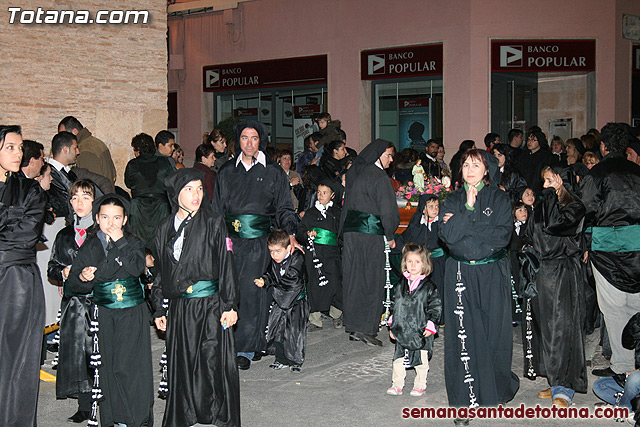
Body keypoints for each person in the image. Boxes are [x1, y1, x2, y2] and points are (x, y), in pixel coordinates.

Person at [151, 168, 240, 427]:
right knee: (183, 362)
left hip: (211, 305)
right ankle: (185, 413)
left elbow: (226, 263)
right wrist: (160, 308)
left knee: (212, 361)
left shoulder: (214, 222)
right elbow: (160, 273)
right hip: (180, 306)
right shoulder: (164, 227)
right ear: (176, 193)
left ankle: (215, 413)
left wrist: (230, 304)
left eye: (200, 188)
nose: (196, 195)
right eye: (189, 189)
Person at [212, 119, 300, 370]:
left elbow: (284, 207)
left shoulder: (272, 172)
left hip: (260, 243)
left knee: (253, 293)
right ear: (237, 141)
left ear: (260, 141)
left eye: (254, 138)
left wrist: (291, 233)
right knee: (230, 291)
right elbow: (217, 208)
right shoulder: (227, 171)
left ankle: (246, 348)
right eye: (244, 138)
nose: (249, 143)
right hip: (231, 241)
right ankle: (240, 341)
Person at [438, 149, 519, 412]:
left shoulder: (500, 198)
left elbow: (502, 236)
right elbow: (448, 236)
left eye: (476, 164)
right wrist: (469, 208)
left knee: (494, 332)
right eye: (465, 165)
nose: (470, 169)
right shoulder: (452, 200)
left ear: (487, 170)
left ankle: (494, 390)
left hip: (492, 273)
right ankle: (463, 396)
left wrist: (465, 227)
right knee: (464, 335)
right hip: (460, 273)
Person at [67, 194, 153, 427]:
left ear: (125, 220)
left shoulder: (133, 243)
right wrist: (84, 278)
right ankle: (113, 417)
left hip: (131, 312)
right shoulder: (92, 244)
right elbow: (72, 284)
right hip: (104, 313)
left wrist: (121, 242)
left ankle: (134, 419)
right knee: (108, 367)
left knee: (129, 367)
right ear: (97, 218)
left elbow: (137, 268)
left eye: (117, 217)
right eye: (105, 217)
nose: (111, 223)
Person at [581, 123, 640, 378]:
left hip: (607, 250)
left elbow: (584, 211)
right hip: (638, 246)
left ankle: (623, 366)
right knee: (636, 305)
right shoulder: (638, 172)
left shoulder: (597, 174)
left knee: (614, 309)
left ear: (603, 146)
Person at [524, 166, 587, 407]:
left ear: (564, 181)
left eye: (550, 180)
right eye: (544, 181)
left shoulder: (575, 207)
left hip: (563, 271)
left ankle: (565, 386)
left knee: (563, 327)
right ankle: (554, 380)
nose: (545, 185)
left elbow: (555, 225)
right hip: (543, 272)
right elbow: (532, 232)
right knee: (546, 328)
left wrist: (554, 194)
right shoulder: (543, 204)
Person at [0, 125, 46, 427]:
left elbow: (25, 238)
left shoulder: (31, 190)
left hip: (17, 282)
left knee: (16, 362)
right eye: (10, 147)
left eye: (19, 147)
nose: (19, 153)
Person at [341, 138, 400, 347]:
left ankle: (353, 324)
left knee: (354, 278)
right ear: (378, 155)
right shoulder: (379, 177)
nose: (391, 160)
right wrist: (390, 235)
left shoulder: (357, 173)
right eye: (388, 155)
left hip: (351, 235)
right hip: (369, 235)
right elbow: (388, 211)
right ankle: (365, 328)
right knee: (370, 278)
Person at [47, 180, 95, 423]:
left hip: (96, 303)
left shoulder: (101, 232)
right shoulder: (64, 235)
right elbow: (51, 268)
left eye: (85, 197)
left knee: (95, 353)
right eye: (75, 197)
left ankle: (101, 400)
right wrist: (63, 272)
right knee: (76, 354)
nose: (79, 203)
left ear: (94, 202)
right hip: (72, 305)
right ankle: (84, 404)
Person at [386, 243, 441, 397]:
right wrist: (392, 325)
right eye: (409, 261)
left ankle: (420, 384)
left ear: (424, 264)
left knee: (421, 360)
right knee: (398, 360)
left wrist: (431, 325)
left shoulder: (429, 287)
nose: (413, 265)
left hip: (420, 330)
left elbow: (435, 307)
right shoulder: (400, 284)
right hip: (402, 328)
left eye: (417, 262)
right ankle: (397, 384)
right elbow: (394, 304)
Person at [255, 229, 309, 372]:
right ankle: (281, 359)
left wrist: (275, 284)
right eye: (271, 252)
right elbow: (270, 274)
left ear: (289, 248)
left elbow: (294, 280)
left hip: (296, 301)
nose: (274, 255)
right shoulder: (274, 261)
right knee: (278, 331)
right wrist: (265, 281)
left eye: (278, 251)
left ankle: (295, 360)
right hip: (280, 301)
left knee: (294, 332)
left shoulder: (297, 258)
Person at [297, 179, 343, 331]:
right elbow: (300, 233)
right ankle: (315, 319)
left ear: (332, 195)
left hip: (332, 254)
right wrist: (307, 234)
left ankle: (336, 313)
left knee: (335, 282)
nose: (321, 195)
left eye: (325, 193)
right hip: (315, 255)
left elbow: (341, 234)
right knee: (314, 285)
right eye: (318, 192)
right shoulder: (310, 213)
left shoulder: (337, 213)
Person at [124, 132, 173, 251]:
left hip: (138, 208)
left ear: (137, 150)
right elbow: (172, 183)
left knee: (138, 244)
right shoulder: (164, 163)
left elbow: (128, 183)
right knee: (160, 244)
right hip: (161, 206)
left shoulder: (132, 164)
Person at [394, 194, 446, 306]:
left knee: (437, 290)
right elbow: (405, 239)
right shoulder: (416, 224)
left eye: (437, 206)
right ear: (423, 209)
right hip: (420, 265)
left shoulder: (442, 224)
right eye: (431, 207)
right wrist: (392, 245)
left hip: (437, 263)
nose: (435, 210)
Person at [59, 116, 117, 183]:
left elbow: (90, 184)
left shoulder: (84, 150)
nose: (61, 138)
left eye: (64, 134)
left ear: (75, 132)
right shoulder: (95, 142)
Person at [48, 131, 80, 219]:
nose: (78, 152)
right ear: (65, 150)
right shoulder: (50, 174)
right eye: (75, 148)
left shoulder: (68, 172)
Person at [517, 130, 555, 196]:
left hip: (539, 190)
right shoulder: (523, 155)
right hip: (524, 189)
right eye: (528, 139)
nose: (529, 142)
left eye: (533, 140)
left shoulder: (546, 156)